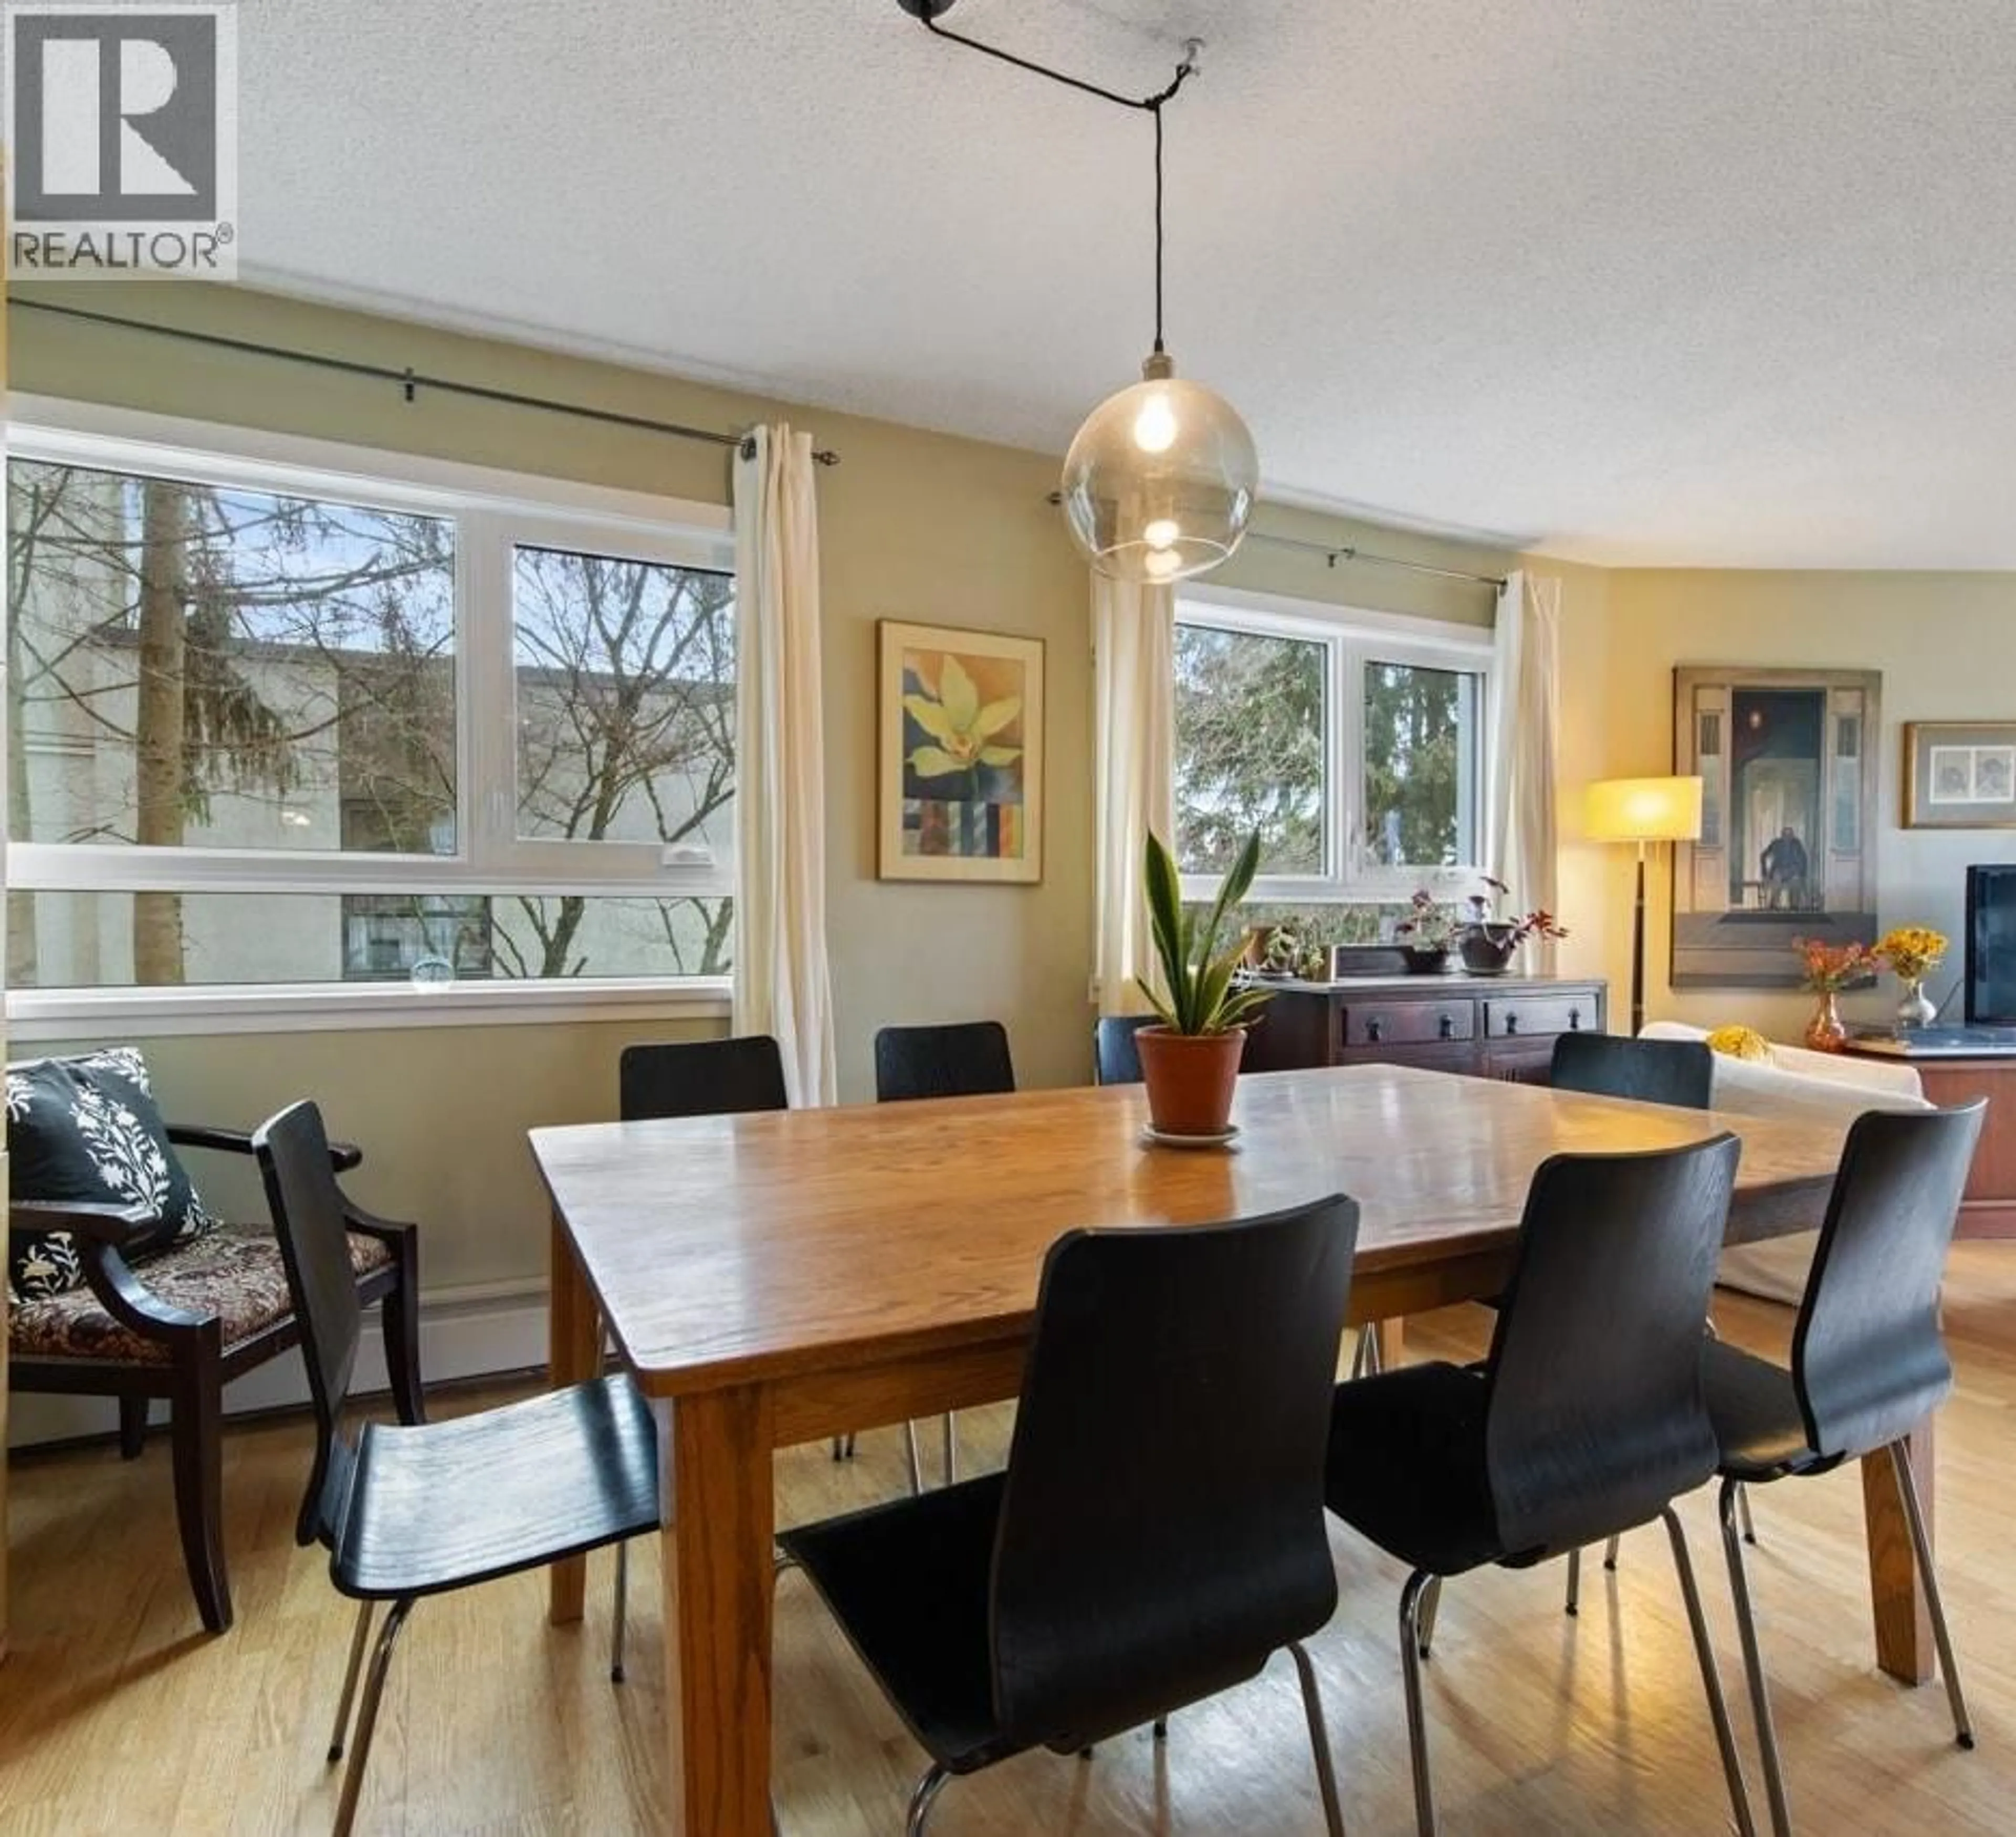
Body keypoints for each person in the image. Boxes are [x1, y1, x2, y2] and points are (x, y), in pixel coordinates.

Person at [1761, 825, 1809, 909]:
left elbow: (1804, 858)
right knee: (1777, 881)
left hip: (1793, 870)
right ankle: (1774, 907)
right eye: (1785, 835)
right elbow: (1764, 855)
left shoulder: (1797, 844)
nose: (1788, 838)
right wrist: (1765, 873)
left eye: (1790, 835)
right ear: (1782, 836)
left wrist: (1802, 873)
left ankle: (1794, 907)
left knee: (1796, 883)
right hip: (1779, 870)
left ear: (1793, 836)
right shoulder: (1776, 843)